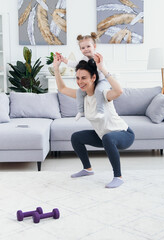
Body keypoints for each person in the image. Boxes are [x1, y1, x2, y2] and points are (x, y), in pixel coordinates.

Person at [53, 52, 135, 188]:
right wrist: (56, 68)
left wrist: (102, 68)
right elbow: (62, 89)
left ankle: (118, 177)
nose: (80, 82)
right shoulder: (83, 96)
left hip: (124, 134)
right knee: (76, 137)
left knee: (108, 138)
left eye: (84, 78)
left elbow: (119, 91)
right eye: (78, 78)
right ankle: (87, 169)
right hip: (103, 136)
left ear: (93, 78)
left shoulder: (103, 94)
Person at [60, 32, 110, 121]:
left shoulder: (98, 57)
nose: (86, 49)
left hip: (102, 81)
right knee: (79, 92)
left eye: (88, 46)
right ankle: (80, 111)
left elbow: (102, 70)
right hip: (92, 83)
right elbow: (75, 64)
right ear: (80, 49)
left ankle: (100, 111)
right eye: (83, 48)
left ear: (94, 46)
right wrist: (64, 60)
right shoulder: (84, 59)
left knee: (99, 91)